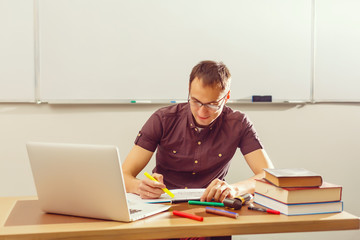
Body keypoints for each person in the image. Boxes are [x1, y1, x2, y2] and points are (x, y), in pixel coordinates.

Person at [122, 60, 274, 203]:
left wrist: (234, 189)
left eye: (212, 104)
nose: (202, 111)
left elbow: (268, 176)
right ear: (189, 90)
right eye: (195, 101)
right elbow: (123, 176)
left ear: (226, 97)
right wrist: (140, 187)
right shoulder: (163, 119)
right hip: (165, 207)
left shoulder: (238, 123)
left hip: (212, 206)